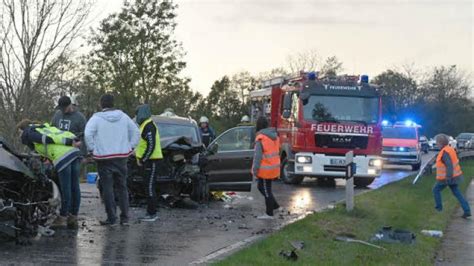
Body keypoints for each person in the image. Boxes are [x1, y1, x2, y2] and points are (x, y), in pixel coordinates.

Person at [84, 94, 140, 226]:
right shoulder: (124, 117)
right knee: (122, 187)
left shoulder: (96, 118)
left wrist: (92, 149)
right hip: (121, 157)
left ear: (101, 104)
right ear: (113, 103)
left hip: (104, 158)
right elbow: (136, 132)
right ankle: (125, 218)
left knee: (107, 188)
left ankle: (112, 218)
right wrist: (130, 147)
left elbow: (88, 134)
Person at [17, 120, 82, 229]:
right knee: (75, 187)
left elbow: (48, 139)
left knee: (66, 188)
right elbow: (60, 136)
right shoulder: (45, 127)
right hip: (74, 152)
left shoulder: (29, 132)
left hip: (63, 156)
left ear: (23, 128)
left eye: (19, 132)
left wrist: (68, 142)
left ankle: (62, 217)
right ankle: (73, 217)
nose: (20, 136)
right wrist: (74, 140)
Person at [432, 134, 471, 219]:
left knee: (435, 190)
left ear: (441, 143)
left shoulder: (445, 152)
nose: (436, 144)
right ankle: (467, 210)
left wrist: (448, 178)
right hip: (455, 176)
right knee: (457, 193)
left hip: (447, 177)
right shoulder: (449, 149)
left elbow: (449, 165)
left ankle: (439, 208)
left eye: (437, 143)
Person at [135, 104, 163, 222]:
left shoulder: (149, 126)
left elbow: (151, 145)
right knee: (148, 187)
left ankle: (152, 214)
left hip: (151, 161)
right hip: (148, 161)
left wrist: (143, 159)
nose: (136, 116)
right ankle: (150, 212)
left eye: (137, 113)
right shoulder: (144, 125)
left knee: (150, 187)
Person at [252, 116, 281, 220]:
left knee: (265, 189)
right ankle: (275, 206)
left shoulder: (261, 137)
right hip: (274, 167)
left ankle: (269, 214)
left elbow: (257, 156)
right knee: (263, 187)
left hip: (265, 169)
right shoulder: (274, 136)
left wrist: (254, 170)